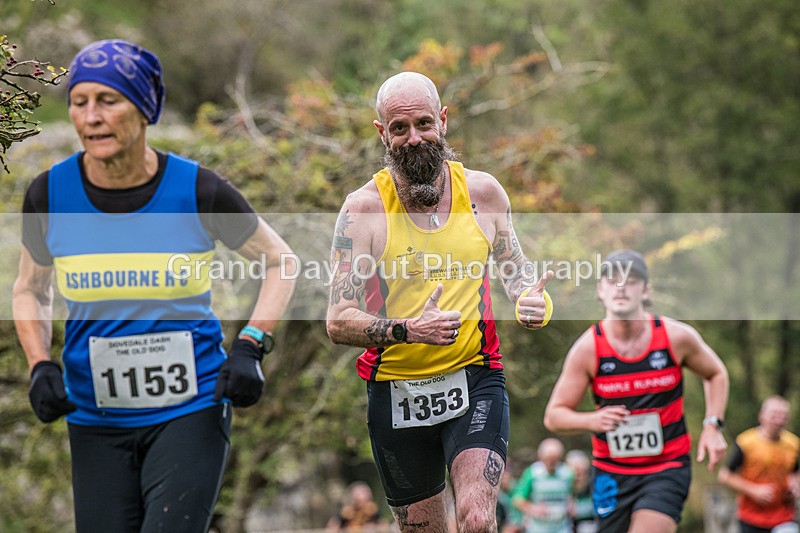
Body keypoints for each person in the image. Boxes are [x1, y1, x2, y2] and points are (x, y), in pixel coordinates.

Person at [11, 39, 295, 533]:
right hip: (94, 415)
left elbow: (281, 262)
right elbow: (29, 289)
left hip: (191, 407)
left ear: (144, 109)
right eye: (80, 103)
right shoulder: (49, 194)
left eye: (109, 100)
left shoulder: (197, 190)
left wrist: (251, 344)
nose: (92, 117)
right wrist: (39, 364)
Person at [325, 71, 553, 533]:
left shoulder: (484, 194)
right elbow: (337, 320)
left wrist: (534, 303)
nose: (414, 138)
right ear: (381, 132)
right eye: (399, 128)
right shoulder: (362, 210)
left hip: (474, 378)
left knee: (475, 517)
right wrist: (409, 329)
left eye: (424, 124)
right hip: (395, 387)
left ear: (444, 121)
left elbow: (519, 274)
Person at [543, 249, 729, 533]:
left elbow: (716, 373)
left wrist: (712, 425)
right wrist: (590, 420)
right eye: (612, 280)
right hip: (611, 471)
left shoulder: (675, 337)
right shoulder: (589, 349)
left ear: (646, 290)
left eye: (631, 281)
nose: (621, 287)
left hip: (666, 466)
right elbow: (554, 416)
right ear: (600, 291)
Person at [718, 395, 800, 533]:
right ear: (762, 416)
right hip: (751, 516)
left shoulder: (794, 444)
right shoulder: (746, 442)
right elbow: (725, 476)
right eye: (774, 416)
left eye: (783, 416)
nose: (779, 421)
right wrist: (754, 490)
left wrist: (795, 485)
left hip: (783, 516)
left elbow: (795, 472)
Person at [511, 438, 575, 533]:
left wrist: (571, 505)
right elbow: (517, 500)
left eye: (555, 459)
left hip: (562, 528)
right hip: (538, 528)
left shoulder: (567, 473)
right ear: (541, 457)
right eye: (548, 459)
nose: (552, 463)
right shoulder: (532, 473)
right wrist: (532, 508)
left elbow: (572, 495)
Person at [564, 450, 597, 533]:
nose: (579, 476)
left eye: (583, 472)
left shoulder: (594, 485)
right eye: (576, 473)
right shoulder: (564, 487)